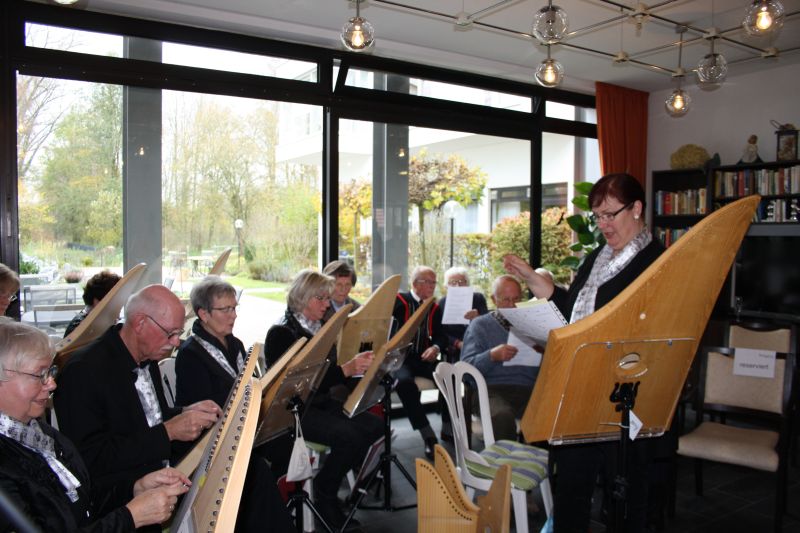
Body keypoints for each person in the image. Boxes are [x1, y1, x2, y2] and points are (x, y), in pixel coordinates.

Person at [54, 284, 289, 532]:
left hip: (158, 463)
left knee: (250, 471)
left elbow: (150, 417)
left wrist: (185, 412)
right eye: (171, 334)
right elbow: (91, 458)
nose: (176, 342)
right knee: (240, 486)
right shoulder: (84, 371)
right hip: (122, 489)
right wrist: (168, 431)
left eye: (178, 333)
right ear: (140, 323)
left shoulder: (146, 354)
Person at [504, 173, 664, 533]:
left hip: (626, 395)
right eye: (598, 216)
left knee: (625, 497)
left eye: (610, 214)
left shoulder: (656, 262)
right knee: (572, 487)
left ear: (636, 208)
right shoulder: (598, 258)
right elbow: (572, 306)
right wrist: (531, 277)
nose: (603, 224)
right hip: (581, 387)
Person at [0, 318, 190, 532]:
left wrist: (135, 488)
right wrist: (130, 517)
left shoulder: (39, 432)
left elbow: (83, 501)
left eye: (50, 372)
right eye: (39, 375)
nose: (52, 384)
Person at [265, 269, 383, 529]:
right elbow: (297, 385)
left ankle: (328, 483)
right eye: (321, 298)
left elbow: (327, 377)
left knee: (374, 425)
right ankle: (325, 494)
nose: (327, 304)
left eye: (327, 298)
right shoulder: (282, 333)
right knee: (349, 436)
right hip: (294, 412)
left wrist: (361, 369)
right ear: (302, 297)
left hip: (317, 404)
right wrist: (346, 370)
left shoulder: (319, 327)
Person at [175, 276, 294, 478]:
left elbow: (252, 383)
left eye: (234, 308)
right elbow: (206, 408)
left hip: (238, 425)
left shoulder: (235, 344)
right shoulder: (191, 354)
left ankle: (280, 491)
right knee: (268, 457)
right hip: (210, 438)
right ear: (203, 314)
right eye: (226, 310)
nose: (234, 315)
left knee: (286, 435)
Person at [460, 275, 537, 442]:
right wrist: (491, 356)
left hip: (528, 389)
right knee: (501, 415)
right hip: (490, 390)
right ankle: (505, 458)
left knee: (552, 412)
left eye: (516, 299)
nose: (512, 305)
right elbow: (465, 370)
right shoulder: (480, 325)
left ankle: (536, 458)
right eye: (506, 300)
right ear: (494, 299)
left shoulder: (533, 324)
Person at [391, 265, 448, 459]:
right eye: (428, 282)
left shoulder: (434, 307)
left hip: (423, 358)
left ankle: (448, 427)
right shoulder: (398, 302)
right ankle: (428, 435)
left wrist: (435, 348)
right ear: (415, 284)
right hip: (400, 360)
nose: (432, 286)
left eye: (434, 282)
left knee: (449, 375)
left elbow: (441, 335)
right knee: (404, 383)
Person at [434, 266, 488, 442]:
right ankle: (447, 423)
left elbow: (488, 323)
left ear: (467, 283)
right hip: (454, 350)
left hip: (476, 349)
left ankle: (483, 418)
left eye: (461, 282)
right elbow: (440, 332)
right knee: (448, 378)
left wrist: (478, 316)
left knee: (486, 371)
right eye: (453, 282)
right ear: (446, 286)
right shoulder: (442, 303)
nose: (457, 285)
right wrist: (457, 343)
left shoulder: (477, 298)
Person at [64, 270, 122, 336]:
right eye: (115, 302)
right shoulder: (81, 329)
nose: (119, 306)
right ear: (97, 302)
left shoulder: (96, 322)